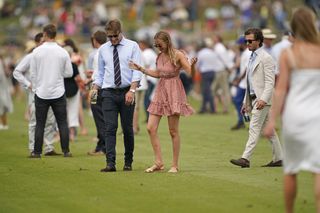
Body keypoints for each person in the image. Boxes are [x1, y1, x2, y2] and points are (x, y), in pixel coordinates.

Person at [264, 7, 320, 213]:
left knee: (291, 170)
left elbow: (280, 90)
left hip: (294, 116)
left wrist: (271, 121)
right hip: (317, 116)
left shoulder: (289, 53)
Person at [129, 30, 197, 173]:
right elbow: (159, 74)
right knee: (150, 127)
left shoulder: (178, 54)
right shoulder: (159, 56)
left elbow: (190, 73)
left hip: (174, 91)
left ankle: (175, 165)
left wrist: (193, 65)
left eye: (160, 45)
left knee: (173, 131)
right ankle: (158, 162)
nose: (158, 47)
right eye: (156, 45)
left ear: (167, 42)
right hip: (161, 91)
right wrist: (141, 69)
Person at [91, 19, 142, 172]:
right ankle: (110, 163)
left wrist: (132, 91)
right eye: (109, 37)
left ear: (120, 32)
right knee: (110, 128)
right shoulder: (103, 50)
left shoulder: (132, 46)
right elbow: (99, 73)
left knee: (127, 129)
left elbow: (137, 71)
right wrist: (94, 90)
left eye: (115, 36)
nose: (112, 39)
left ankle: (128, 162)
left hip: (127, 91)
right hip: (108, 93)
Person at [230, 28, 283, 168]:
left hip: (262, 100)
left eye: (250, 41)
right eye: (246, 40)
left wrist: (263, 100)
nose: (247, 43)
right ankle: (279, 158)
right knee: (270, 132)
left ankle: (245, 158)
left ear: (259, 41)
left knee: (253, 128)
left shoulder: (266, 58)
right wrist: (245, 102)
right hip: (254, 99)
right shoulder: (252, 57)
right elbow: (250, 83)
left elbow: (270, 82)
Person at [13, 32, 60, 156]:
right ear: (38, 43)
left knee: (50, 120)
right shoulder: (31, 56)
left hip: (50, 93)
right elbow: (17, 72)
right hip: (35, 95)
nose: (45, 44)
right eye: (42, 42)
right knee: (34, 122)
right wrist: (28, 84)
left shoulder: (50, 57)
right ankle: (33, 148)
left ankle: (49, 147)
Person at [30, 24, 73, 158]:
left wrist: (37, 87)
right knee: (62, 123)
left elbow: (33, 74)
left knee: (40, 124)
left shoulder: (36, 51)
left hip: (41, 92)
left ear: (44, 35)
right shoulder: (62, 51)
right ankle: (66, 151)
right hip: (58, 92)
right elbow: (69, 73)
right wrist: (57, 74)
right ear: (55, 35)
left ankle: (37, 152)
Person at [87, 30, 107, 156]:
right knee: (100, 116)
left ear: (95, 40)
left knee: (98, 116)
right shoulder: (106, 51)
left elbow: (98, 73)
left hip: (96, 88)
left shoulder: (97, 53)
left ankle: (103, 146)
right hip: (98, 86)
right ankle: (100, 145)